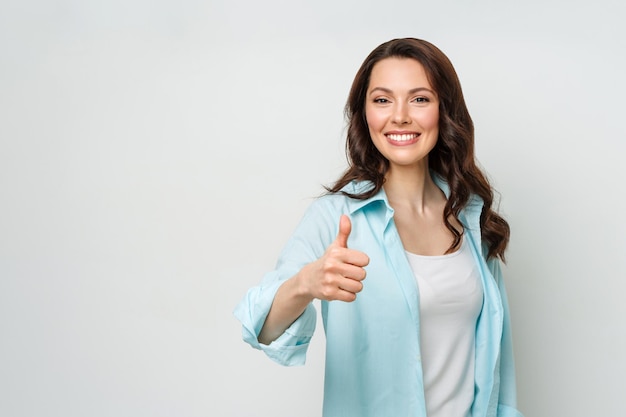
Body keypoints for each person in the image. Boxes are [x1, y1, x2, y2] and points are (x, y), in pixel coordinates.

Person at [234, 38, 523, 417]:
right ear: (364, 113)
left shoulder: (470, 215)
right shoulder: (335, 217)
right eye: (382, 100)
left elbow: (498, 368)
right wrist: (306, 283)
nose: (400, 116)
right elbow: (263, 330)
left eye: (420, 99)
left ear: (444, 111)